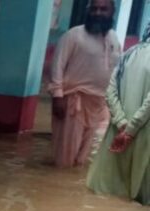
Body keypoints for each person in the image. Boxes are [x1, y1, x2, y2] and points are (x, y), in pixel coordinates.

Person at [48, 0, 121, 168]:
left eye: (103, 9)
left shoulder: (113, 38)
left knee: (82, 158)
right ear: (88, 11)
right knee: (65, 157)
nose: (98, 13)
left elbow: (115, 70)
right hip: (73, 102)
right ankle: (60, 184)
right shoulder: (74, 35)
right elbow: (57, 66)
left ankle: (70, 189)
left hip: (98, 105)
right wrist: (57, 96)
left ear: (112, 12)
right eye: (94, 9)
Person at [87, 25, 150, 205]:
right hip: (143, 134)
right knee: (137, 202)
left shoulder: (128, 54)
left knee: (107, 193)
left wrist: (122, 124)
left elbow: (110, 92)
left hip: (117, 132)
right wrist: (131, 130)